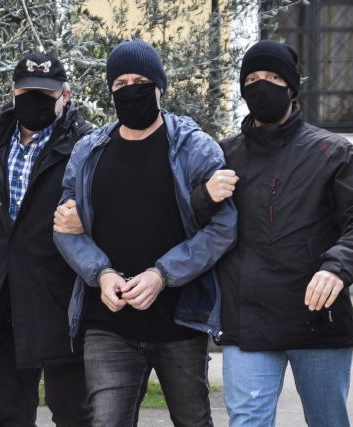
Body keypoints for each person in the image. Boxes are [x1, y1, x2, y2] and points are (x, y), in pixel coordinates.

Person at [191, 40, 353, 427]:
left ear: (292, 87)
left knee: (328, 421)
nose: (260, 85)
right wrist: (203, 197)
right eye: (251, 79)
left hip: (318, 320)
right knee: (247, 422)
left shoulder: (333, 152)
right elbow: (188, 226)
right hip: (248, 324)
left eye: (273, 77)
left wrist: (337, 267)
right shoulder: (223, 155)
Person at [52, 39, 237, 427]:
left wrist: (161, 274)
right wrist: (101, 273)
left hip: (179, 320)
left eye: (140, 81)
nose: (130, 89)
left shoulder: (195, 148)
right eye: (120, 84)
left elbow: (223, 227)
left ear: (159, 87)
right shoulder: (89, 152)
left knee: (192, 421)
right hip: (108, 320)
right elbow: (65, 228)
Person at [0, 52, 93, 426]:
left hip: (59, 302)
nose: (35, 100)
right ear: (13, 93)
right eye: (27, 92)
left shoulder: (85, 146)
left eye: (45, 93)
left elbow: (106, 218)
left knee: (73, 412)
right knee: (12, 414)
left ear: (66, 95)